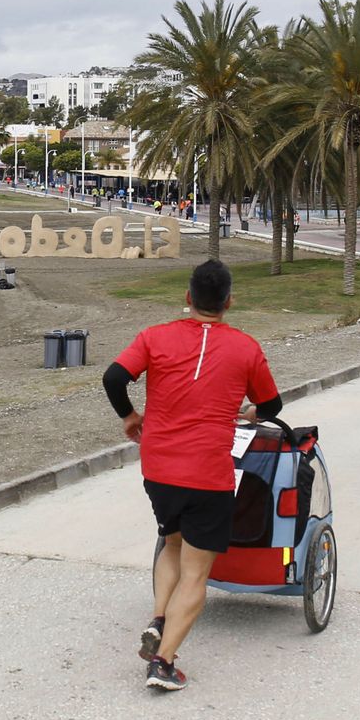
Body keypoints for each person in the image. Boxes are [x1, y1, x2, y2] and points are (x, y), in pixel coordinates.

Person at [103, 260, 281, 693]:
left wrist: (130, 418)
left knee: (171, 540)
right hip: (208, 473)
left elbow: (113, 378)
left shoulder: (154, 337)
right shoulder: (246, 348)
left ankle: (159, 616)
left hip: (159, 468)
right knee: (196, 572)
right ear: (229, 302)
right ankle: (162, 664)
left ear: (188, 298)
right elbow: (272, 405)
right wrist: (251, 411)